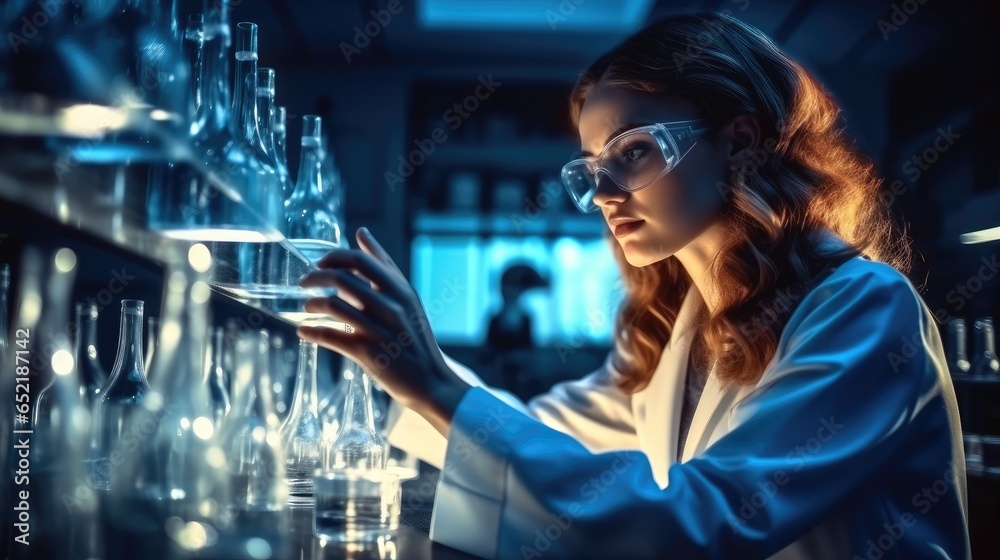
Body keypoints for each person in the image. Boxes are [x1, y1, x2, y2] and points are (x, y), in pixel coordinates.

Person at [296, 11, 970, 560]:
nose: (604, 194)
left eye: (635, 151)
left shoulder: (864, 308)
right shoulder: (679, 319)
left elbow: (710, 520)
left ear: (739, 142)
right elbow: (535, 434)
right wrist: (397, 372)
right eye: (593, 167)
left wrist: (434, 384)